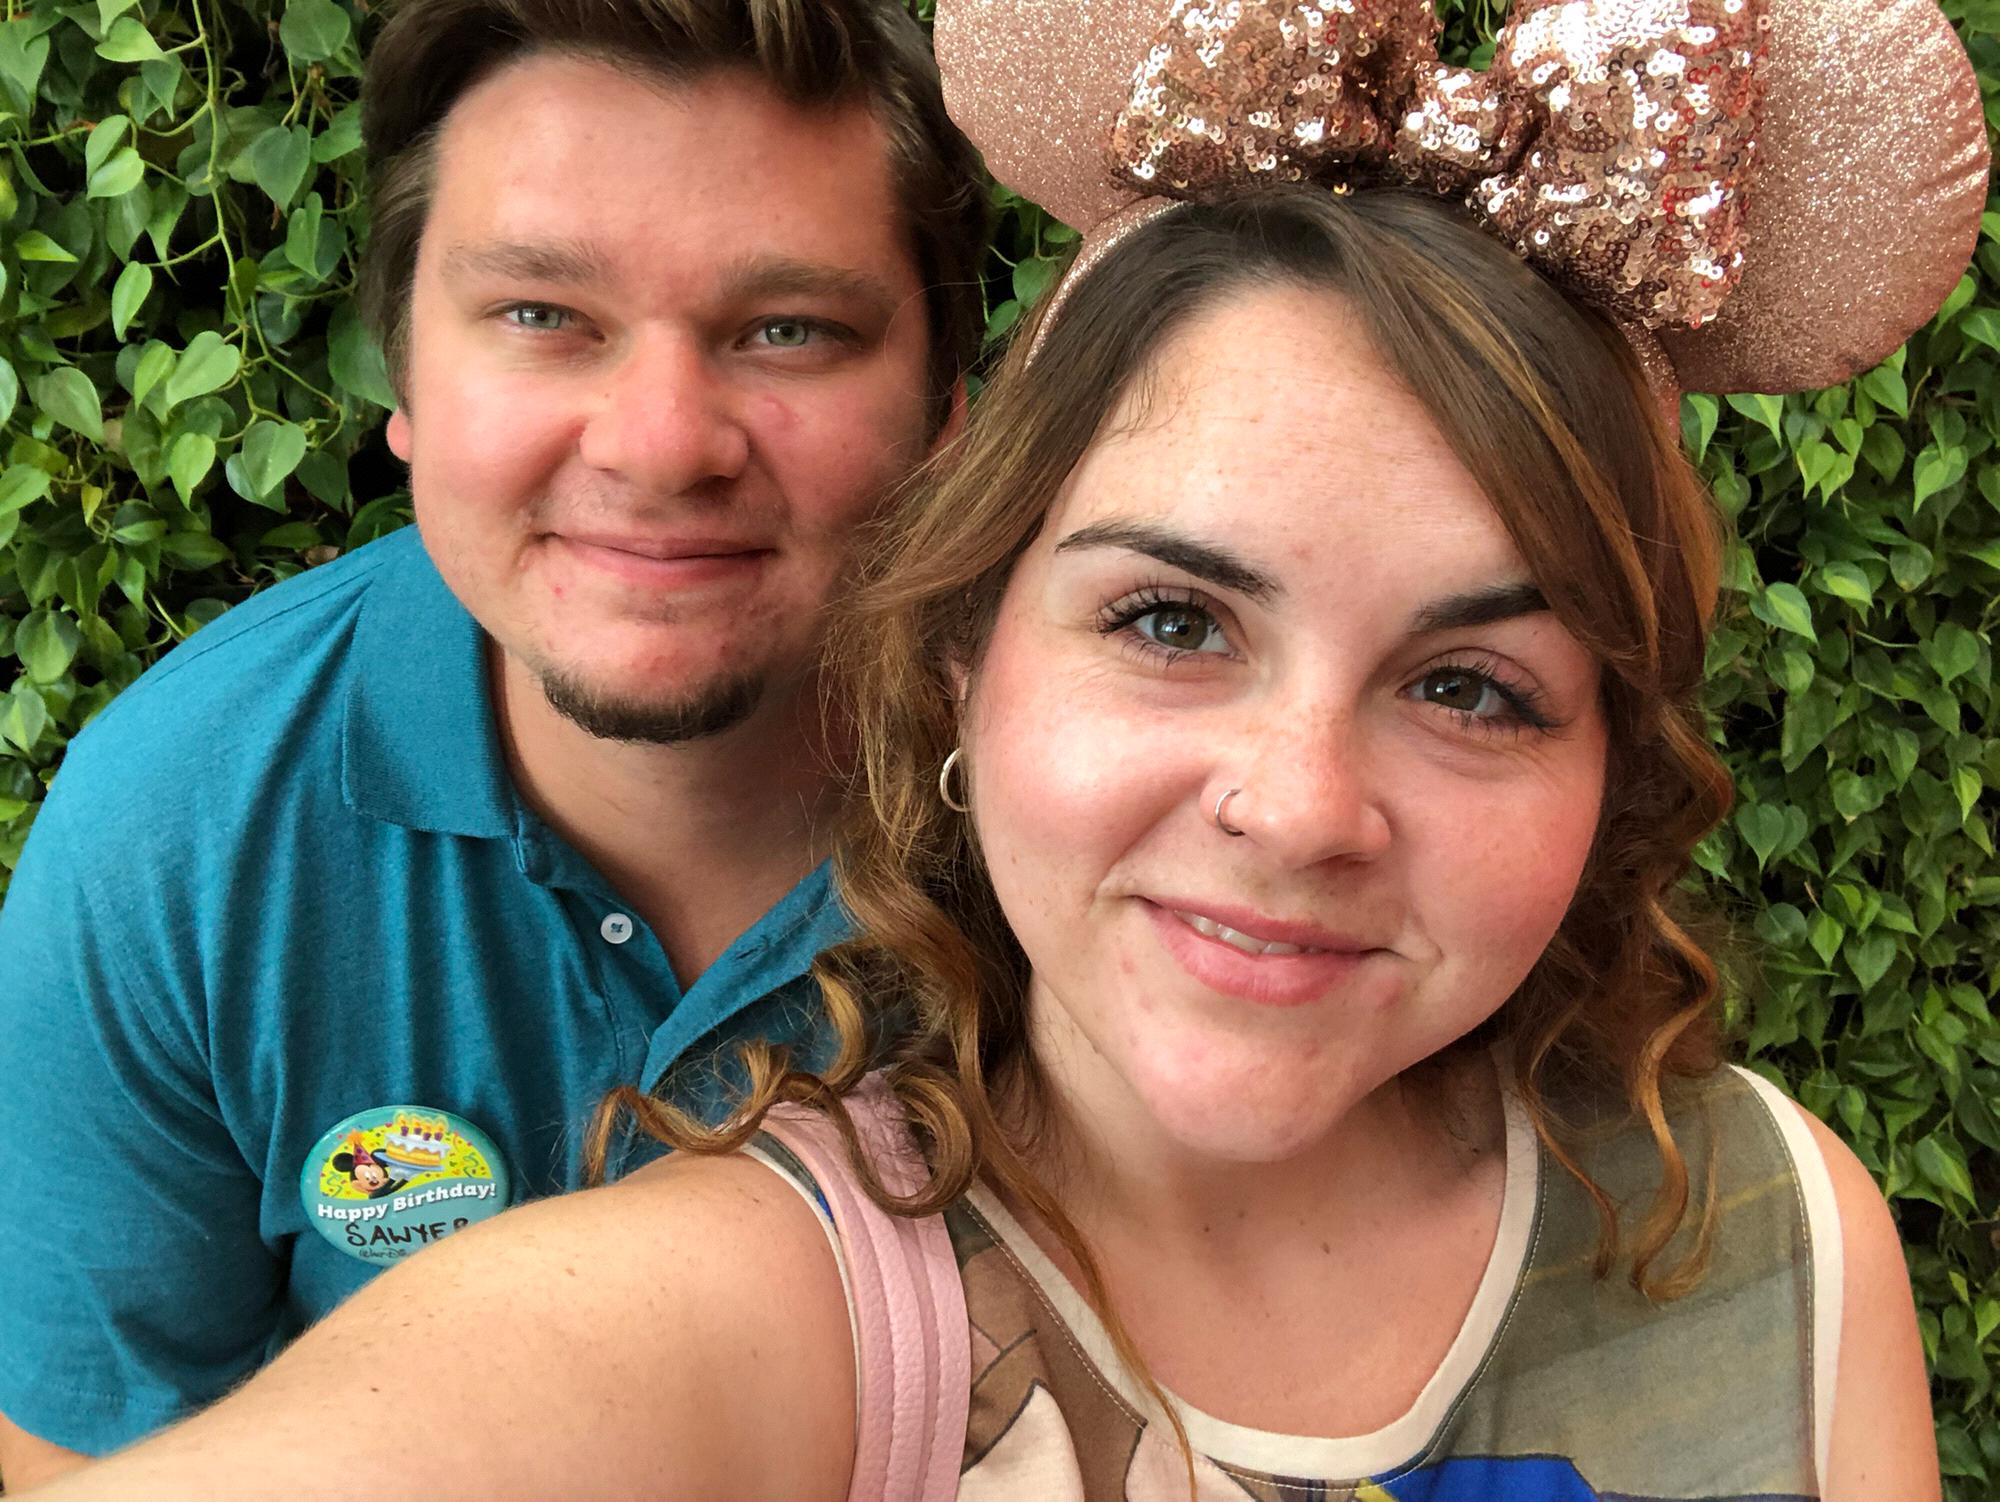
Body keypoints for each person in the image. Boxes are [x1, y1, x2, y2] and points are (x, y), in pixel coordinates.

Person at [23, 0, 1984, 1495]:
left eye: (1475, 685)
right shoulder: (185, 831)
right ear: (969, 657)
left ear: (950, 443)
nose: (660, 441)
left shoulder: (1783, 1243)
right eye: (1172, 623)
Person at [0, 0, 985, 1482]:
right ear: (403, 380)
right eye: (541, 316)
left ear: (948, 412)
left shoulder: (1110, 801)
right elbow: (81, 1459)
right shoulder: (178, 830)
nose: (660, 444)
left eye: (788, 329)